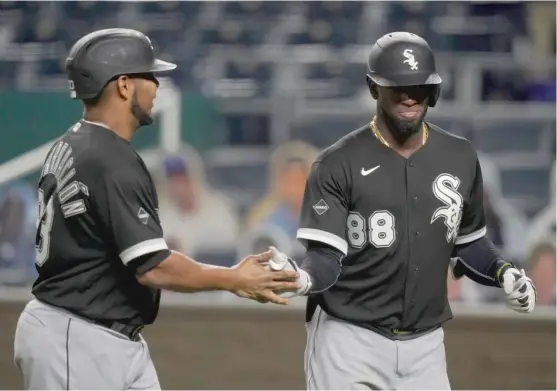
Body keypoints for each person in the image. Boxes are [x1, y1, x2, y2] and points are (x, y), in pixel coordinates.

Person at [12, 28, 300, 390]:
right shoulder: (110, 157)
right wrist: (233, 278)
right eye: (150, 77)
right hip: (78, 334)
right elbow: (153, 267)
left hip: (102, 332)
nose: (156, 86)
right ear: (123, 85)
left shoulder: (76, 142)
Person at [267, 32, 537, 390]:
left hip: (425, 344)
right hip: (349, 339)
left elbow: (469, 242)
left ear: (434, 91)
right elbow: (326, 256)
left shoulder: (459, 156)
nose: (410, 96)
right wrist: (302, 279)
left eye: (420, 86)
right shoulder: (336, 163)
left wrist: (503, 272)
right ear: (374, 88)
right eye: (398, 87)